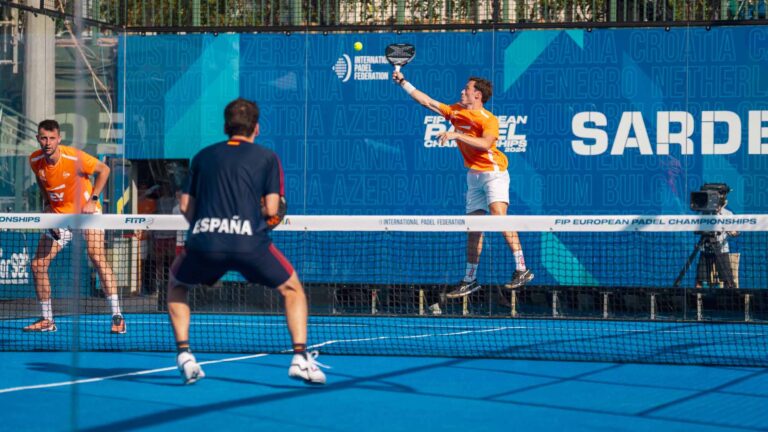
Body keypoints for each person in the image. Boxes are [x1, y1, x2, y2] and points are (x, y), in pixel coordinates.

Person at [167, 98, 327, 385]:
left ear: (225, 126)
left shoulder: (202, 157)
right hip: (249, 244)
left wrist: (207, 229)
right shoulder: (267, 158)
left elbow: (185, 206)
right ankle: (300, 358)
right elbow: (272, 208)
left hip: (205, 241)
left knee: (177, 285)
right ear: (257, 127)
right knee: (292, 289)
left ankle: (185, 356)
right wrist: (251, 218)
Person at [393, 71, 534, 299]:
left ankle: (522, 269)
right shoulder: (456, 111)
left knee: (499, 216)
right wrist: (403, 82)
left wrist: (456, 135)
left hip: (494, 172)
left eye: (467, 89)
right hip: (474, 176)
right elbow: (427, 101)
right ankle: (470, 279)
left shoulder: (488, 120)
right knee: (473, 228)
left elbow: (485, 143)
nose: (462, 91)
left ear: (477, 95)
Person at [25, 119, 126, 334]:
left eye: (52, 138)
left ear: (59, 139)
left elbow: (104, 170)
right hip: (60, 217)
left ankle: (117, 316)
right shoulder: (34, 160)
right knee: (38, 265)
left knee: (96, 256)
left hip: (87, 214)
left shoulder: (74, 158)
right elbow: (42, 181)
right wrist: (47, 205)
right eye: (44, 138)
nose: (48, 142)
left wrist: (93, 200)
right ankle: (47, 319)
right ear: (38, 139)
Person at [695, 199, 738, 289]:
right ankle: (698, 296)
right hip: (706, 249)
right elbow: (696, 230)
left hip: (722, 250)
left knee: (728, 281)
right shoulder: (704, 213)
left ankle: (728, 295)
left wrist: (733, 232)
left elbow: (736, 232)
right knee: (700, 280)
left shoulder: (728, 214)